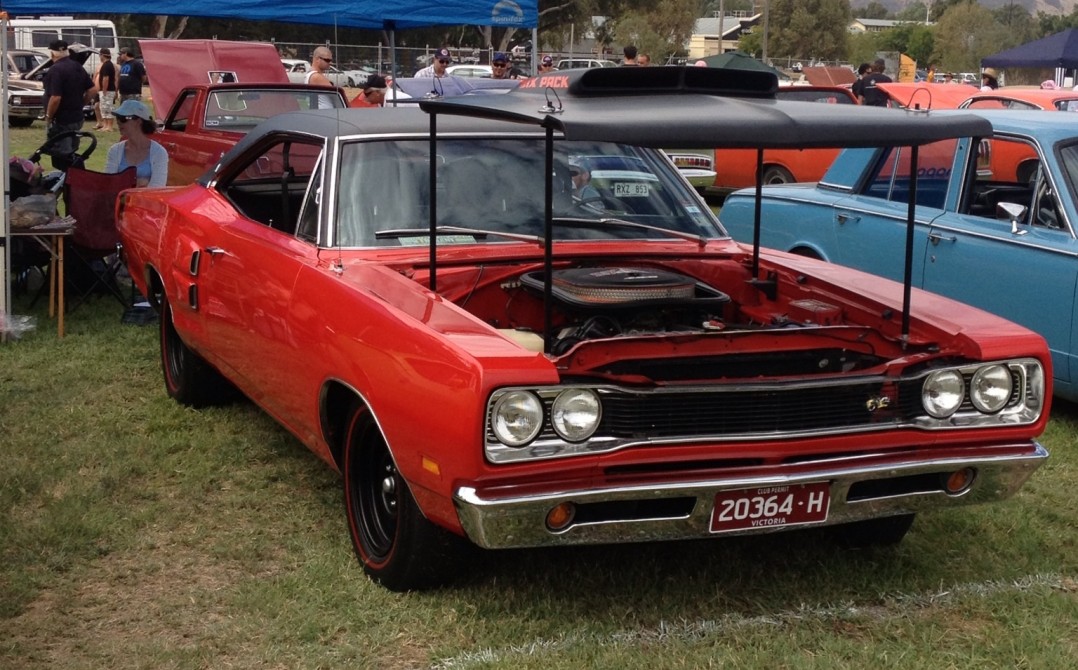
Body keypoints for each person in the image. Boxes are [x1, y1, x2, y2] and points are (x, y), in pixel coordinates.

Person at [43, 40, 97, 169]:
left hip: (61, 119)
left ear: (52, 53)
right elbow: (92, 90)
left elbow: (55, 97)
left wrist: (49, 115)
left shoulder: (55, 70)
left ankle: (69, 182)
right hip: (77, 117)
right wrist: (81, 104)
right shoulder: (77, 66)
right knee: (71, 152)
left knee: (61, 157)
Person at [104, 99, 168, 188]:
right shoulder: (115, 150)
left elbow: (157, 189)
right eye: (118, 117)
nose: (118, 122)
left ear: (138, 121)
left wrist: (122, 183)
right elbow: (108, 184)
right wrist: (138, 184)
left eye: (123, 119)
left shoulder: (159, 153)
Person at [94, 47, 118, 131]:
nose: (99, 57)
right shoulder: (106, 64)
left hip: (107, 90)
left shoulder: (107, 65)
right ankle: (105, 125)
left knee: (108, 107)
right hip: (105, 91)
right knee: (103, 108)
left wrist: (104, 90)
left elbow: (106, 78)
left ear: (102, 55)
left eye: (100, 55)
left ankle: (109, 126)